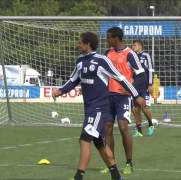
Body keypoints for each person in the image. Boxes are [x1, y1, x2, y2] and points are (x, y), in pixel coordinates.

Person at [52, 32, 146, 180]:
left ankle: (78, 176)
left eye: (80, 42)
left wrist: (136, 95)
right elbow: (73, 80)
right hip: (89, 109)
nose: (78, 45)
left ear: (87, 44)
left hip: (100, 109)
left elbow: (121, 78)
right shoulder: (80, 61)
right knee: (99, 143)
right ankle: (116, 175)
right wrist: (60, 91)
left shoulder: (102, 60)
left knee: (84, 139)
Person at [101, 27, 146, 175]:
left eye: (109, 37)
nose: (107, 40)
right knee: (107, 128)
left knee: (123, 127)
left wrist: (132, 90)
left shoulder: (130, 54)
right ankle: (110, 164)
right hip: (108, 96)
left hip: (123, 97)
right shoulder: (107, 53)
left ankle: (129, 163)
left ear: (116, 38)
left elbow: (141, 75)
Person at [132, 39, 155, 137]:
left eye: (135, 45)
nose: (133, 47)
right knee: (135, 109)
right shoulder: (132, 57)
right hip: (134, 86)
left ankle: (151, 125)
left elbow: (150, 69)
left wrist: (150, 84)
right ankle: (139, 130)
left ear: (140, 46)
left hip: (144, 86)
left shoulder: (146, 56)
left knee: (144, 107)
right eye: (133, 46)